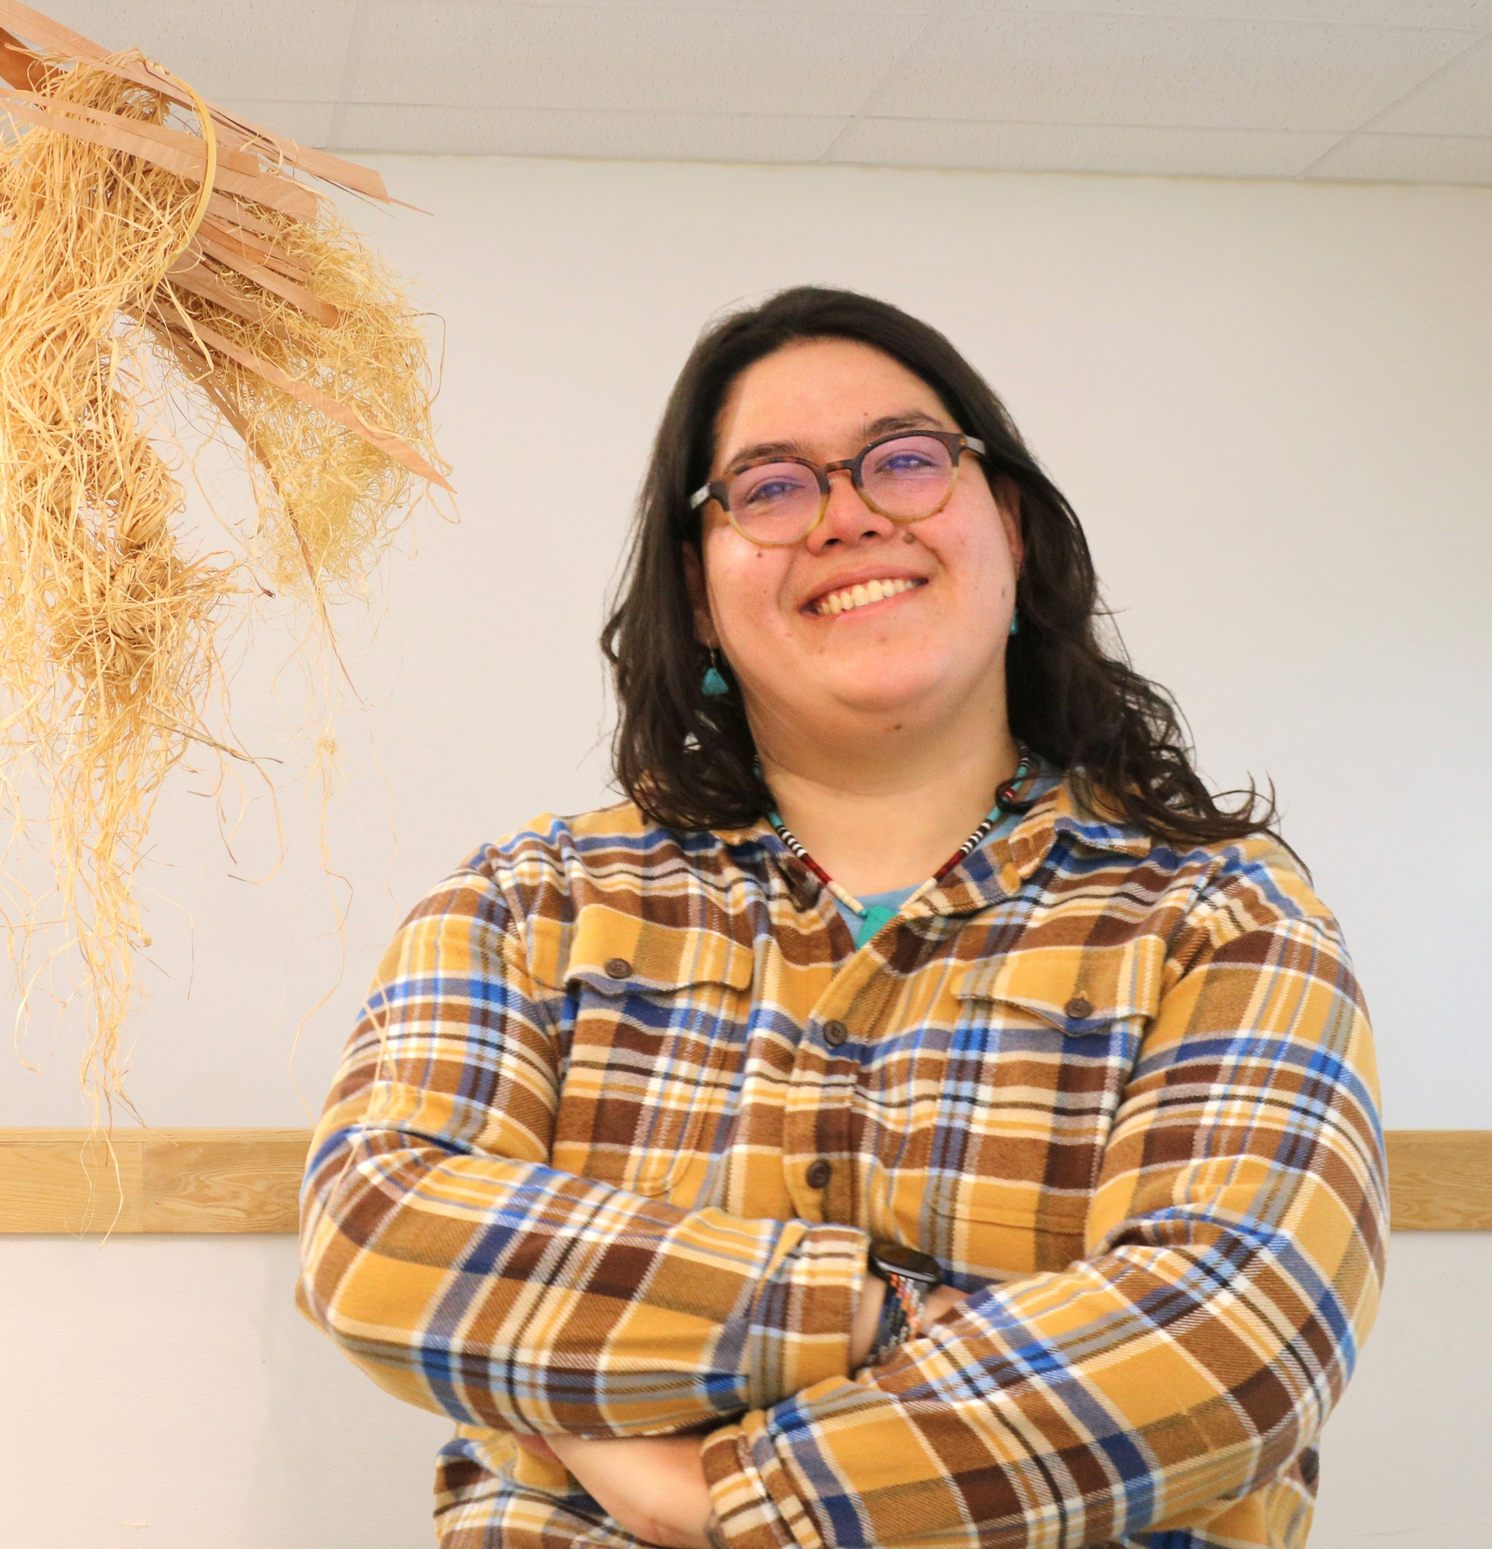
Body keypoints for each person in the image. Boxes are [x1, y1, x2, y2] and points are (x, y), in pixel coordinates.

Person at [296, 286, 1384, 1549]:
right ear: (697, 595)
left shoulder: (1220, 915)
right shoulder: (526, 909)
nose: (848, 513)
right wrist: (877, 1318)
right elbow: (378, 1235)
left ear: (1010, 530)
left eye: (907, 461)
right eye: (766, 489)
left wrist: (705, 1495)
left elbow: (1229, 1351)